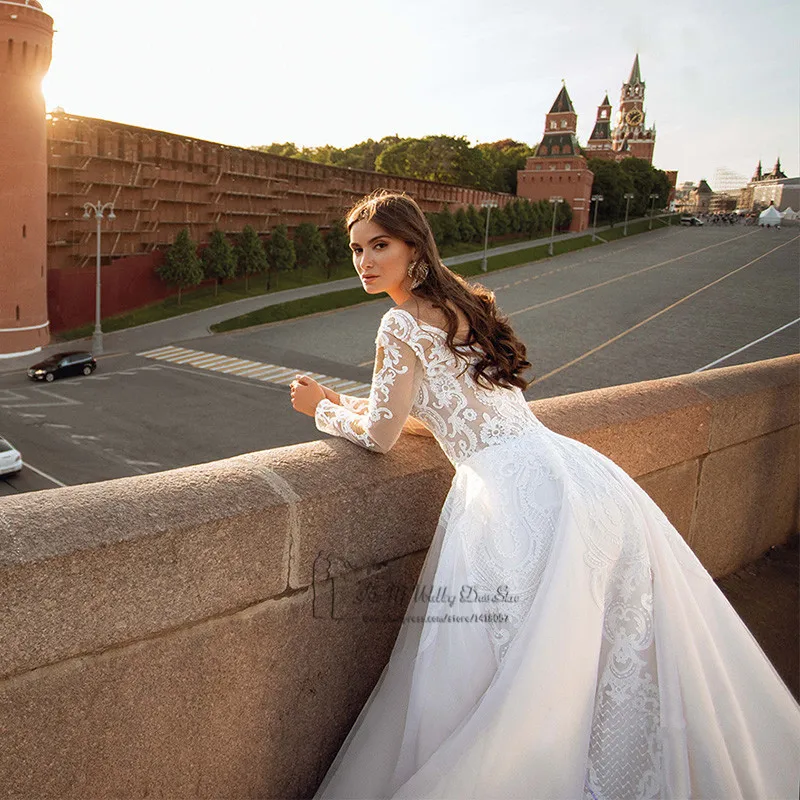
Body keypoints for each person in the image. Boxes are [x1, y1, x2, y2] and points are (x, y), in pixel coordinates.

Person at [290, 190, 800, 800]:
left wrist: (320, 409)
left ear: (413, 248)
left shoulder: (398, 321)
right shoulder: (464, 307)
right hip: (576, 473)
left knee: (513, 666)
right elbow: (436, 409)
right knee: (587, 648)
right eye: (356, 249)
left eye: (380, 246)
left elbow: (381, 434)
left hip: (509, 497)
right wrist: (352, 402)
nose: (365, 261)